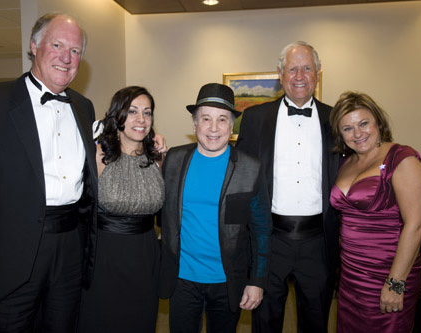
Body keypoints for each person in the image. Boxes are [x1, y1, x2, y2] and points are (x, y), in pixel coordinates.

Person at [0, 13, 98, 332]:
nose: (67, 58)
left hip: (69, 252)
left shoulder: (83, 107)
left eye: (76, 50)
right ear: (34, 45)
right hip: (6, 257)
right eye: (57, 45)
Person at [236, 41, 340, 332]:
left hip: (318, 241)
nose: (299, 75)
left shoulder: (336, 120)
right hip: (270, 239)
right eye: (292, 68)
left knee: (317, 320)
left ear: (318, 74)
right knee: (265, 320)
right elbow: (241, 176)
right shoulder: (254, 118)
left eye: (307, 68)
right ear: (280, 74)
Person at [159, 83, 271, 333]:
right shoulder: (173, 160)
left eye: (222, 120)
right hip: (182, 278)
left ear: (231, 127)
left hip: (227, 280)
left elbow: (262, 230)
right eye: (205, 119)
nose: (213, 128)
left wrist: (257, 281)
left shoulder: (250, 168)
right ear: (194, 124)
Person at [329, 91, 421, 332]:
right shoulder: (346, 162)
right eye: (347, 128)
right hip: (351, 277)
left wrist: (395, 284)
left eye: (364, 123)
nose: (358, 133)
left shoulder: (402, 159)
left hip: (389, 272)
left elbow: (416, 225)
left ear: (378, 122)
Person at [77, 86, 164, 332]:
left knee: (140, 321)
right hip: (105, 257)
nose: (141, 119)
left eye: (147, 113)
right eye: (133, 111)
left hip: (146, 256)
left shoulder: (157, 157)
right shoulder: (97, 155)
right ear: (118, 115)